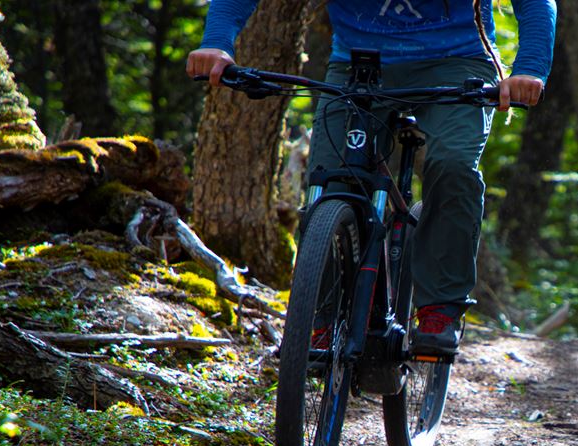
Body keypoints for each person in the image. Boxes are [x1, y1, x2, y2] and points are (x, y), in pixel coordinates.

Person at [188, 1, 556, 355]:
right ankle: (321, 317)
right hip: (358, 64)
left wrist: (530, 68)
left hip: (457, 61)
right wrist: (217, 43)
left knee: (453, 165)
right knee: (332, 183)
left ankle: (439, 309)